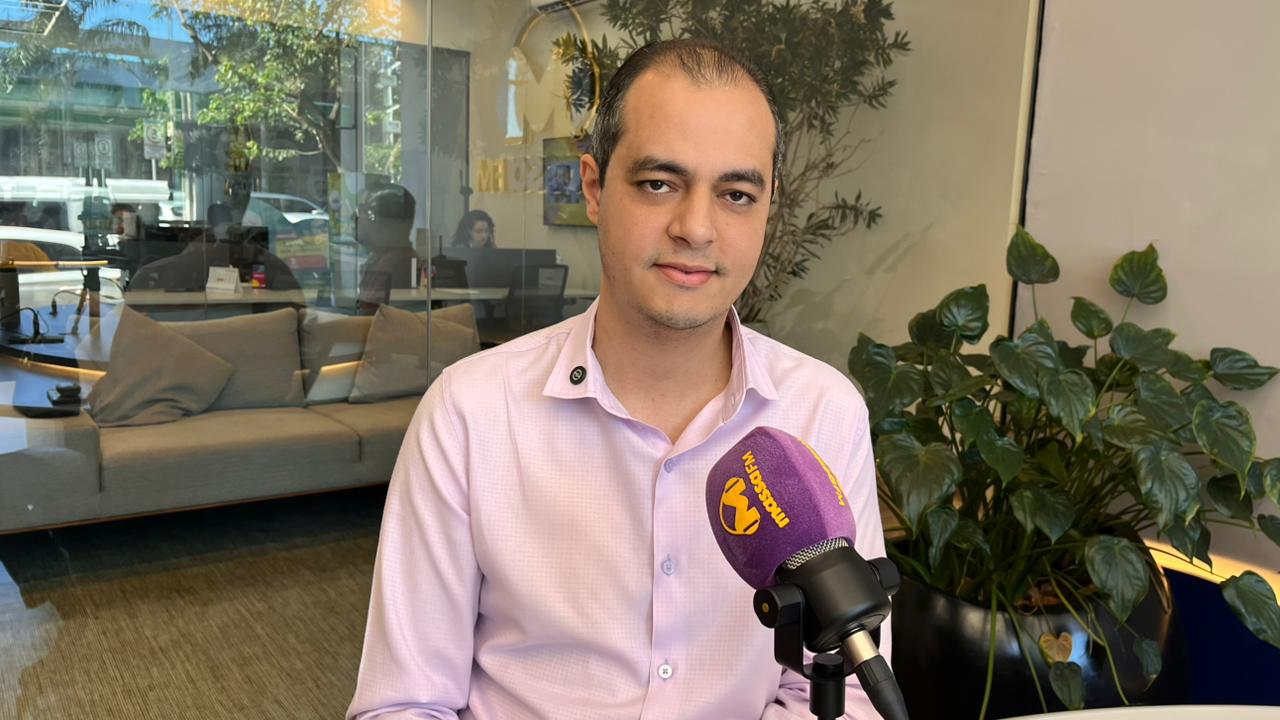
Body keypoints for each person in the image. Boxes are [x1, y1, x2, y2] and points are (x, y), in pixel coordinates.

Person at [348, 39, 888, 720]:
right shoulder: (470, 413)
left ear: (767, 207)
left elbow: (842, 690)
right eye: (659, 183)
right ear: (595, 187)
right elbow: (404, 702)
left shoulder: (823, 412)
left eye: (736, 194)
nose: (696, 228)